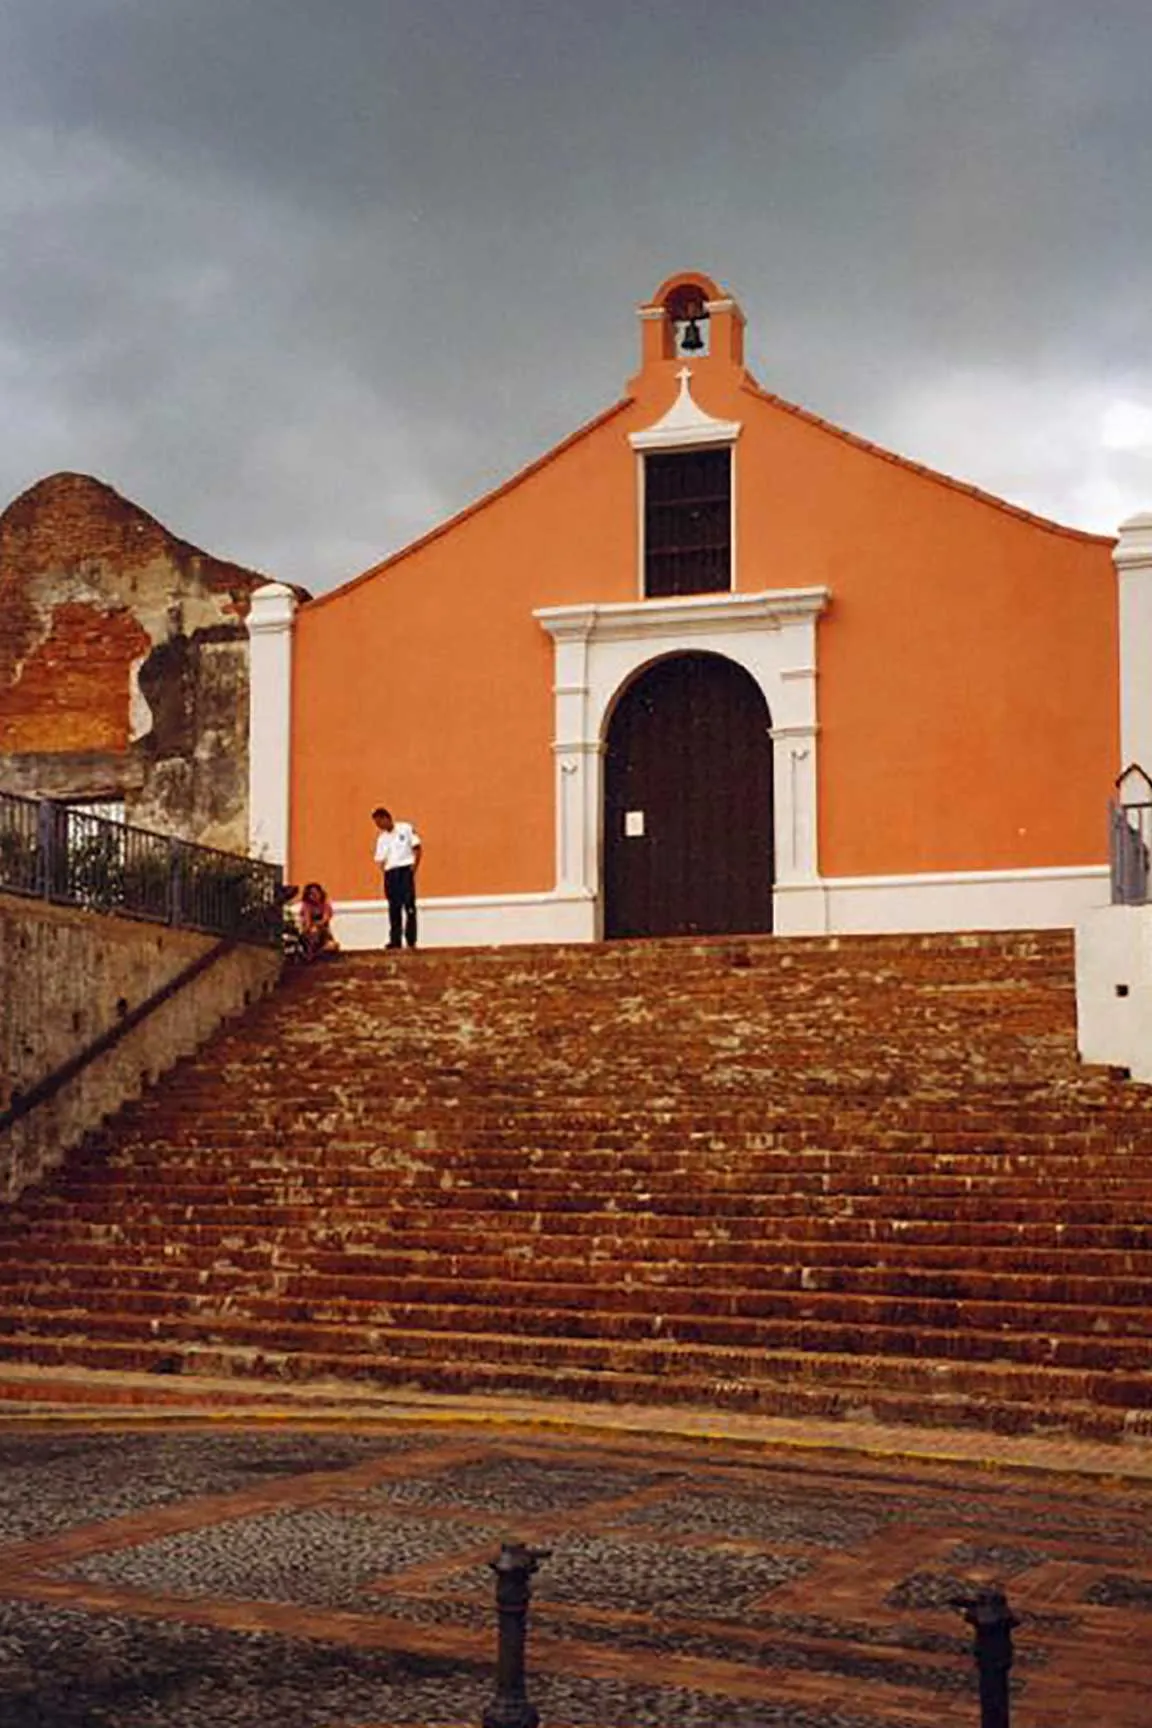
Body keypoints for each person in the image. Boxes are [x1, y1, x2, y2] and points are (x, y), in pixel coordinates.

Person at [372, 806, 422, 949]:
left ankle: (411, 939)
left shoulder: (405, 828)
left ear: (386, 818)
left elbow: (417, 847)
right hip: (391, 872)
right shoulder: (381, 838)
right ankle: (395, 940)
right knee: (394, 908)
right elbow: (380, 859)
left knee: (409, 906)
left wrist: (414, 867)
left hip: (405, 869)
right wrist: (386, 873)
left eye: (380, 822)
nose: (379, 826)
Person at [296, 881, 338, 961]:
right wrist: (309, 929)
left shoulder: (325, 904)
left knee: (332, 946)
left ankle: (318, 953)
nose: (314, 896)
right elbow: (307, 921)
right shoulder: (306, 905)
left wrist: (318, 925)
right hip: (309, 933)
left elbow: (325, 919)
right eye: (311, 894)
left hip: (323, 932)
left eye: (316, 893)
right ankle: (310, 953)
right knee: (313, 933)